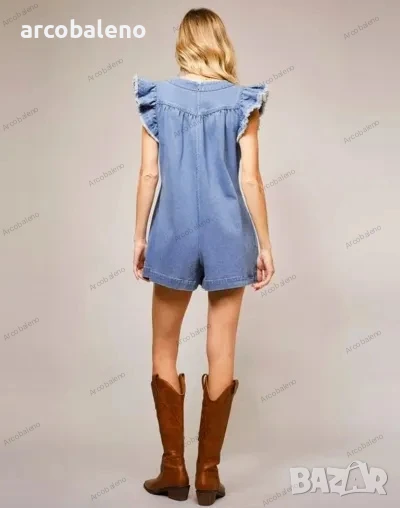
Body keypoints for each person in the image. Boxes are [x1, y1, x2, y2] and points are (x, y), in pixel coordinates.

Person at [132, 7, 274, 506]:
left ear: (183, 42)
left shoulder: (156, 97)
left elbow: (149, 174)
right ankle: (208, 476)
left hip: (171, 231)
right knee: (223, 350)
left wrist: (139, 236)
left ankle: (173, 469)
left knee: (163, 347)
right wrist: (265, 244)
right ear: (220, 42)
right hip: (227, 234)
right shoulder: (242, 101)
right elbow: (250, 179)